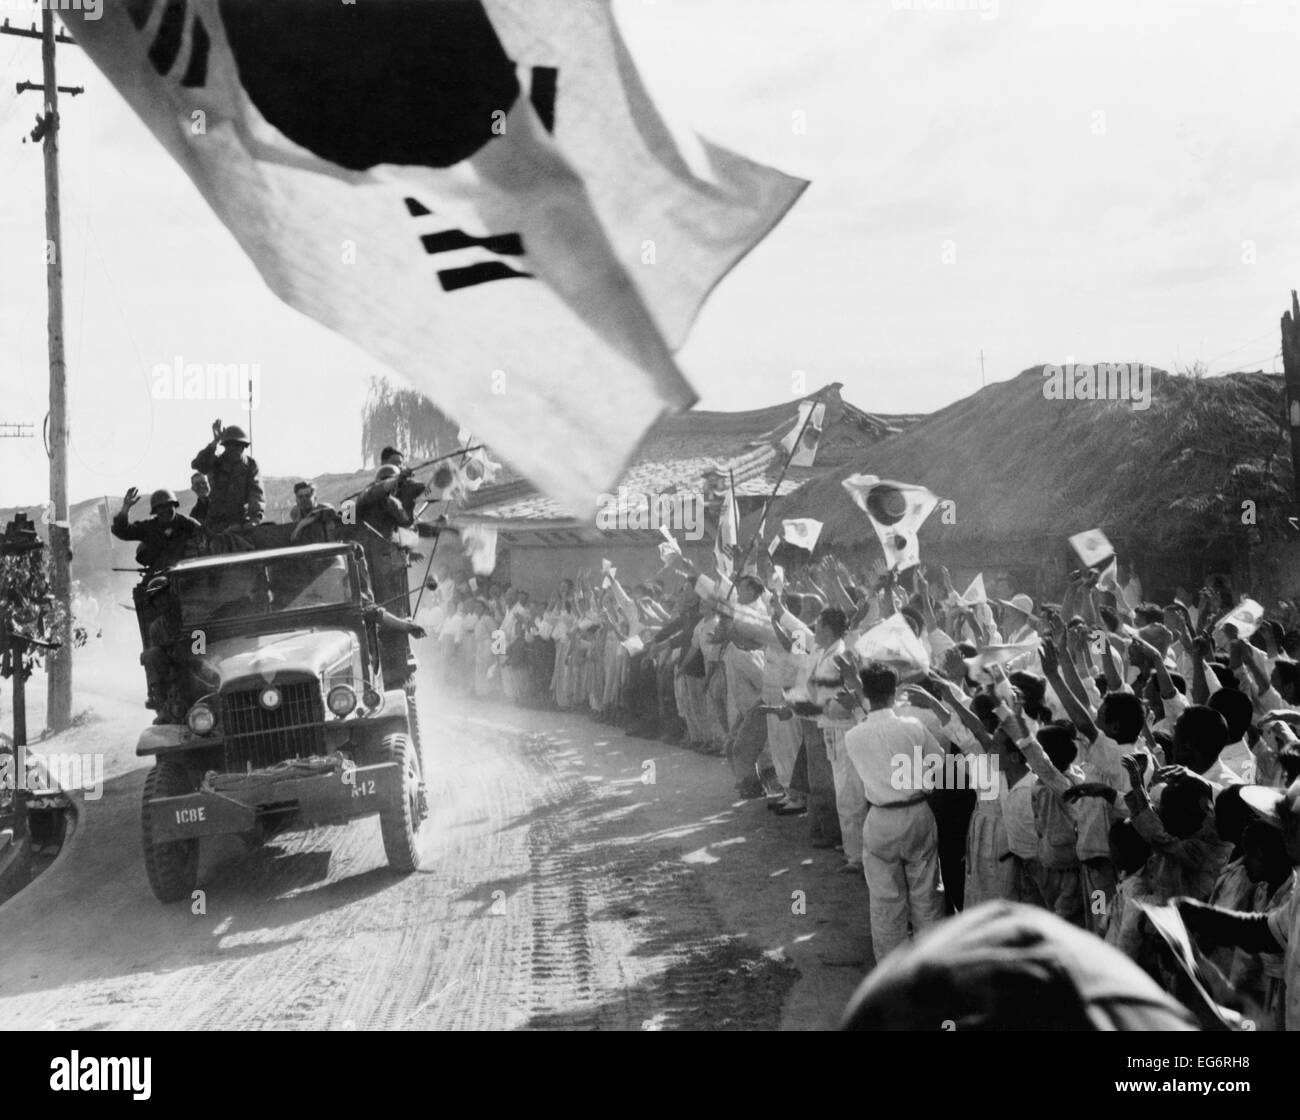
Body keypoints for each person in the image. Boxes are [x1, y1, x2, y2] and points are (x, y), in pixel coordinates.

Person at [844, 663, 947, 961]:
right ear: (895, 691)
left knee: (886, 900)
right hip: (916, 811)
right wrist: (922, 785)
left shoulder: (854, 736)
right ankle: (931, 966)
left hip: (879, 817)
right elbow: (939, 764)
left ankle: (891, 972)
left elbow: (870, 743)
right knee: (926, 893)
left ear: (864, 692)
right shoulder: (913, 727)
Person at [190, 420, 264, 535]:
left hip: (241, 521)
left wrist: (255, 518)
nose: (235, 449)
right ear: (225, 446)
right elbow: (199, 465)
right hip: (215, 522)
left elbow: (256, 494)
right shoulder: (216, 463)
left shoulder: (250, 465)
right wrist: (215, 442)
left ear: (244, 446)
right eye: (231, 445)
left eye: (239, 445)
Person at [111, 487, 202, 576]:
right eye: (160, 507)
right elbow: (122, 531)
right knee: (144, 589)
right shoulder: (149, 527)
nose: (165, 510)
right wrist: (125, 508)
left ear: (174, 505)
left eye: (168, 505)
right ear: (155, 511)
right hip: (159, 577)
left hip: (190, 574)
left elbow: (206, 541)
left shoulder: (189, 524)